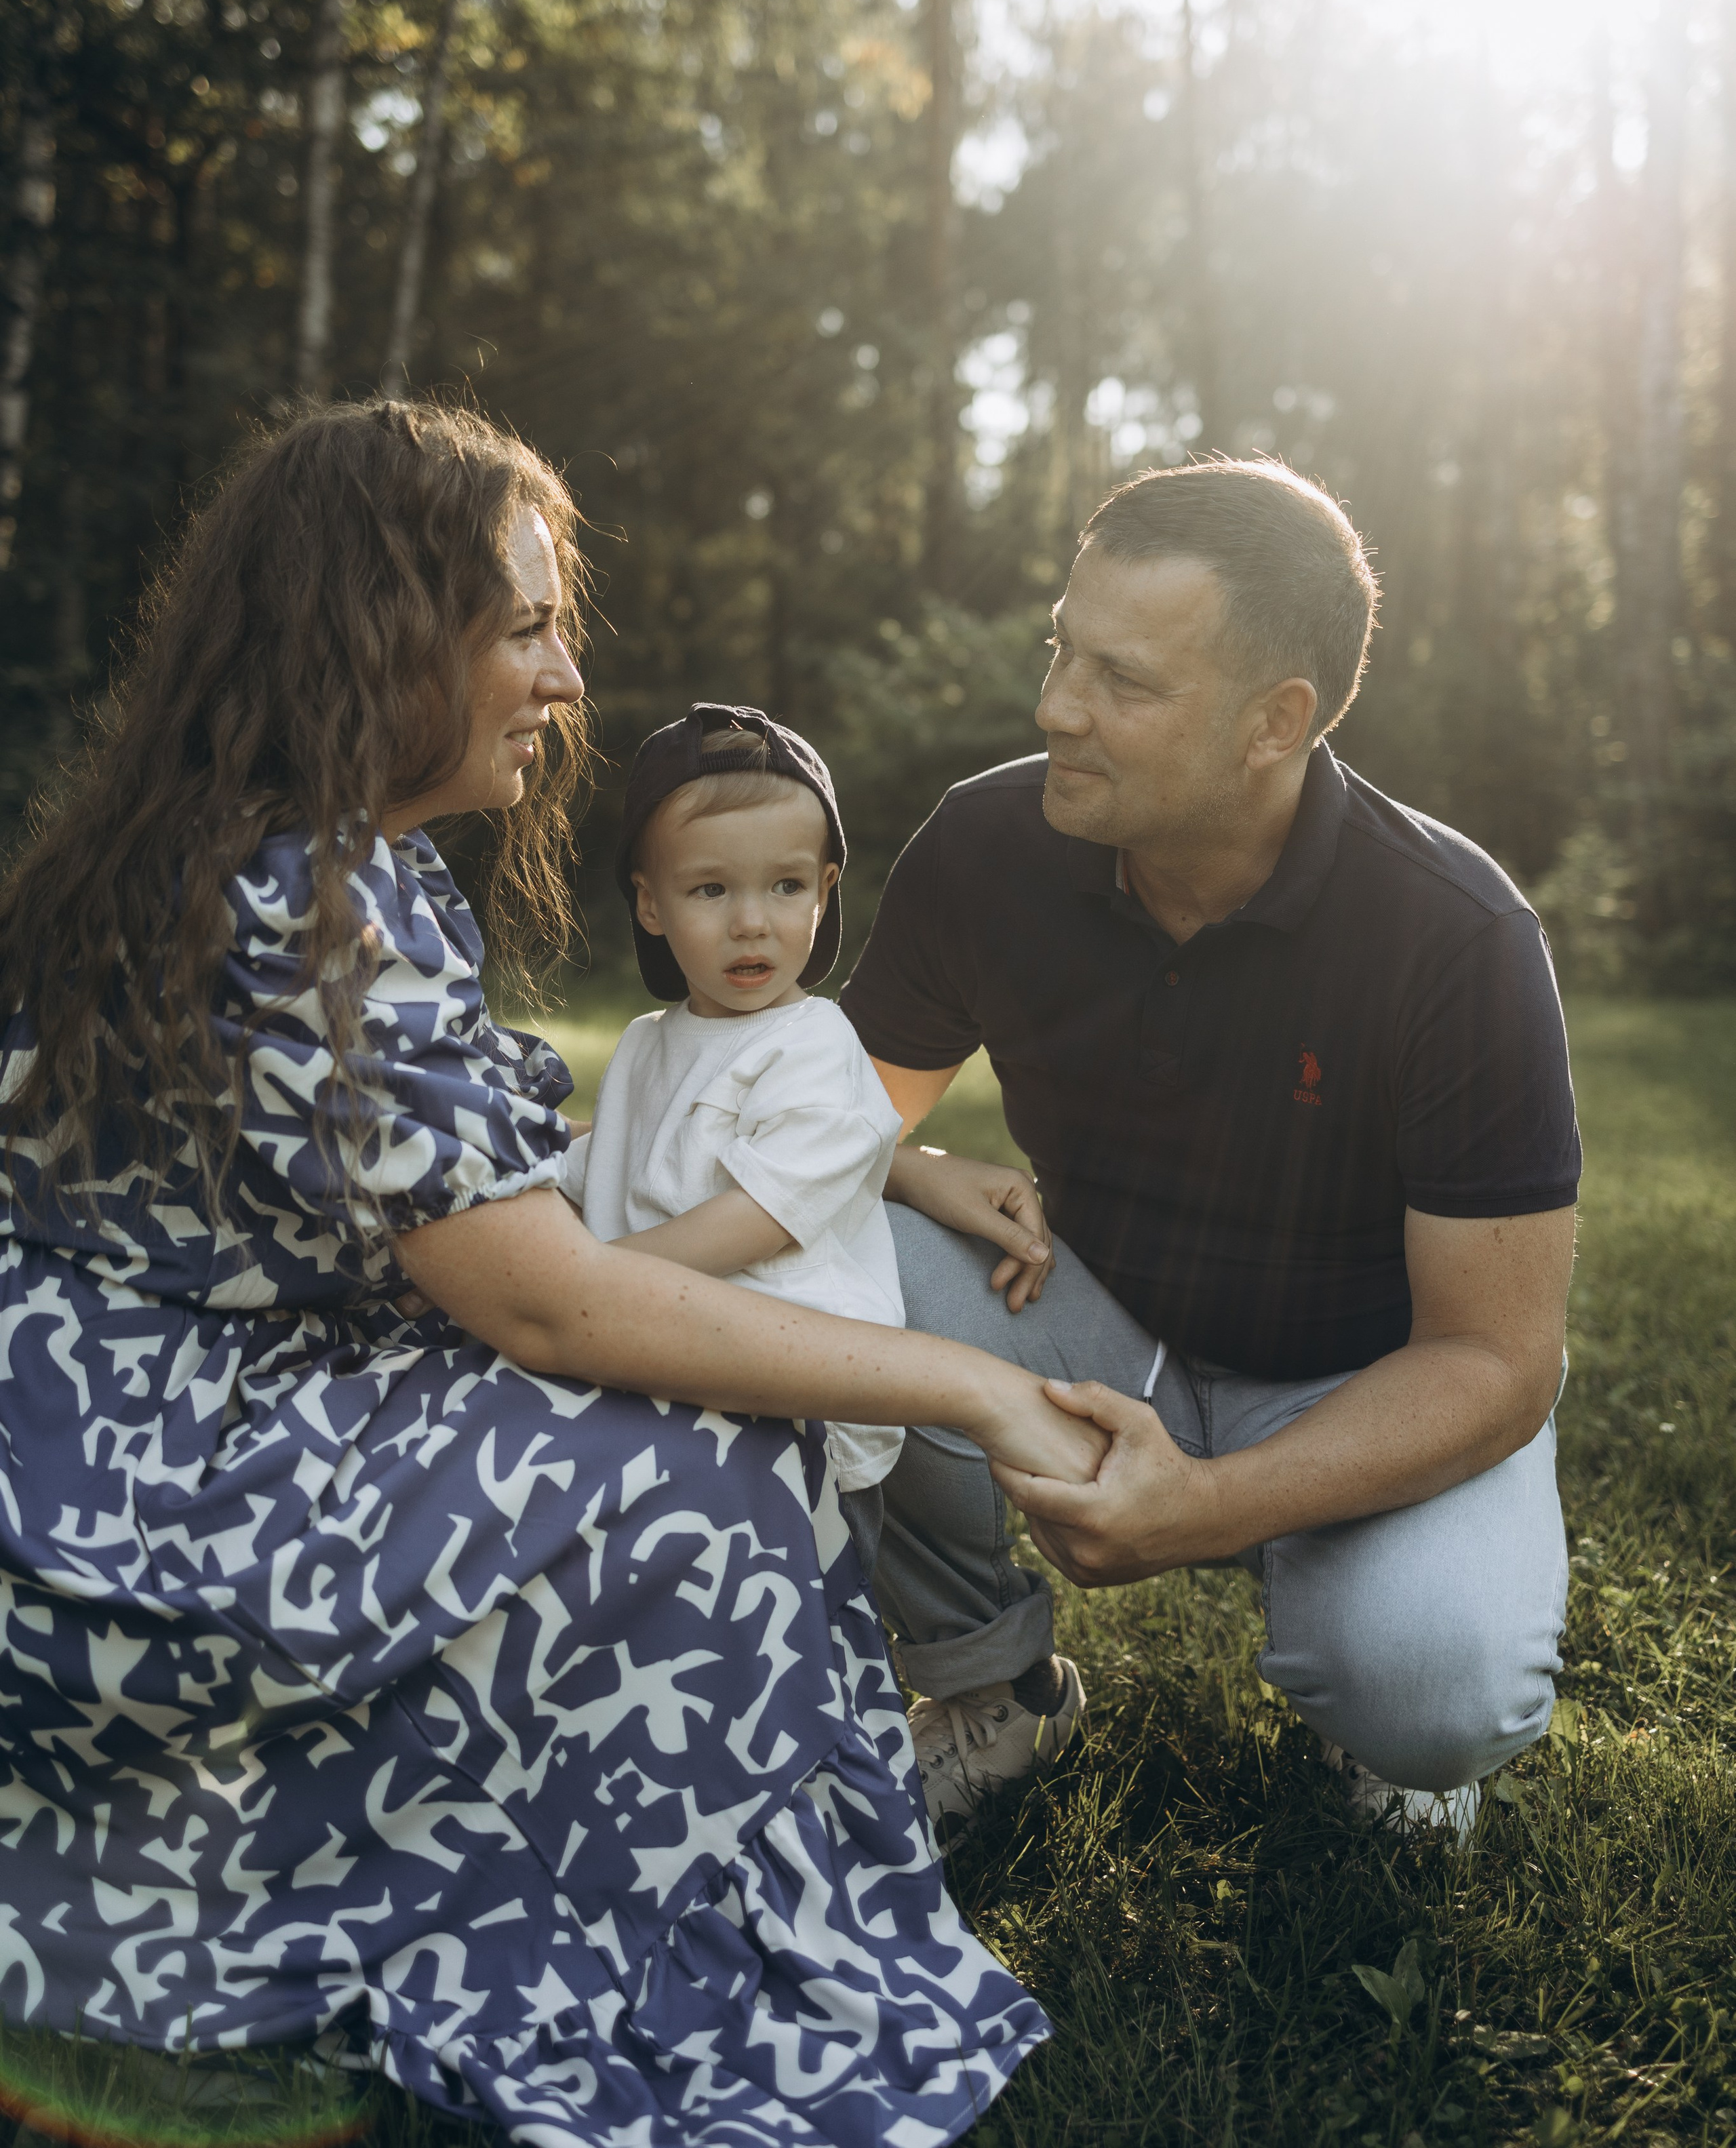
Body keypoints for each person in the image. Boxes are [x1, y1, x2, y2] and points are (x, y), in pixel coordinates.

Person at [0, 399, 1107, 2148]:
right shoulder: (319, 896)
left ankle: (610, 1874)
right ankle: (587, 1936)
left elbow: (496, 1213)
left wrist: (898, 1163)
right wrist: (975, 1385)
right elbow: (547, 1298)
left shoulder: (262, 847)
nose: (566, 677)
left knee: (706, 1437)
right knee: (712, 1467)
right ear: (377, 629)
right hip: (140, 1492)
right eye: (524, 626)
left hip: (117, 1430)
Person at [841, 457, 1580, 1841]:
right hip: (1088, 1323)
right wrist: (916, 1167)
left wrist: (1203, 1507)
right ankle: (989, 1692)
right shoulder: (984, 846)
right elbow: (824, 1127)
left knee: (1434, 1700)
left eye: (1121, 681)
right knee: (812, 1253)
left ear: (1271, 722)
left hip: (1363, 1377)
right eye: (1061, 650)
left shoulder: (1452, 937)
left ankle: (1364, 1636)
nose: (1055, 706)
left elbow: (1495, 1358)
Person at [561, 703, 907, 1577]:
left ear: (826, 892)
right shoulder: (648, 1042)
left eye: (786, 888)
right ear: (650, 903)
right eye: (712, 890)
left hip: (798, 1394)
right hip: (664, 1360)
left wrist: (594, 1284)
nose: (753, 922)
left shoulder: (815, 1047)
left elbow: (757, 1220)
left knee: (804, 1600)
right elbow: (614, 1165)